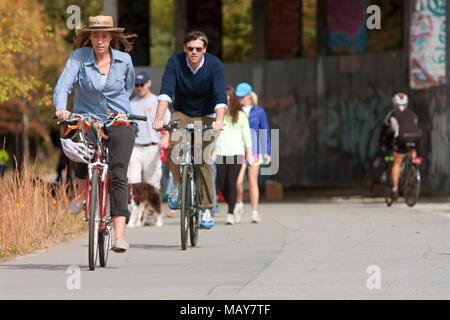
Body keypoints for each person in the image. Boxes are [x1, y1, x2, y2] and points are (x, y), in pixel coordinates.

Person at [53, 15, 137, 253]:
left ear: (112, 37)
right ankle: (81, 194)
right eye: (95, 36)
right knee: (78, 147)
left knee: (119, 172)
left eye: (104, 36)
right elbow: (63, 86)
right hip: (87, 117)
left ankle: (119, 236)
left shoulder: (124, 60)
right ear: (89, 37)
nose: (100, 40)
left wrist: (121, 111)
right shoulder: (79, 58)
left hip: (118, 118)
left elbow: (128, 88)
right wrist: (61, 107)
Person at [152, 30, 226, 229]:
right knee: (176, 148)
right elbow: (166, 93)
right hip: (182, 112)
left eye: (198, 49)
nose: (194, 52)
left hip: (207, 114)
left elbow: (220, 97)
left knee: (202, 158)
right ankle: (176, 185)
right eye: (190, 48)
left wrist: (218, 121)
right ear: (185, 48)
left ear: (205, 50)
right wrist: (159, 119)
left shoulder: (214, 65)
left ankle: (206, 209)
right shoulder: (175, 62)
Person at [127, 71, 170, 227]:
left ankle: (153, 212)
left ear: (149, 83)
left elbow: (168, 123)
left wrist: (166, 137)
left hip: (153, 147)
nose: (139, 88)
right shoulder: (131, 103)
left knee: (153, 184)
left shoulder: (157, 101)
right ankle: (135, 215)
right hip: (135, 148)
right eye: (137, 85)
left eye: (142, 84)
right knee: (133, 183)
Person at [215, 86, 253, 225]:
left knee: (232, 183)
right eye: (224, 100)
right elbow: (213, 134)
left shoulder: (241, 116)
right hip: (220, 152)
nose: (226, 102)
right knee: (221, 184)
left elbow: (247, 135)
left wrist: (249, 153)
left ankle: (230, 213)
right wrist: (212, 150)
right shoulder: (217, 115)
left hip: (236, 152)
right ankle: (235, 204)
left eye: (229, 100)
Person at [234, 83, 271, 223]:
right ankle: (239, 202)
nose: (240, 99)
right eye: (238, 97)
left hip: (255, 150)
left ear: (249, 95)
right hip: (239, 149)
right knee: (237, 182)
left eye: (242, 96)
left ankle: (255, 212)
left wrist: (268, 151)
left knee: (252, 182)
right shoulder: (236, 111)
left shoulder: (259, 111)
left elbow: (264, 130)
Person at [380, 93, 421, 200]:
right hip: (416, 137)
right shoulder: (412, 113)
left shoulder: (393, 114)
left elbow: (385, 127)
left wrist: (381, 140)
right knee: (412, 149)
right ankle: (413, 167)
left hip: (402, 138)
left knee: (397, 162)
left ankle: (395, 189)